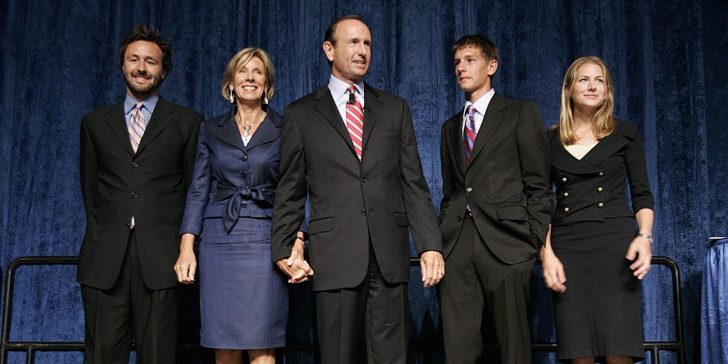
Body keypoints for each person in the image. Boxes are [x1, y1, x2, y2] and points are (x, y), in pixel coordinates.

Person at [270, 15, 445, 364]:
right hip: (334, 256)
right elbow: (289, 190)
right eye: (353, 42)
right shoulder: (301, 114)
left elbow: (413, 183)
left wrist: (430, 245)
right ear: (328, 50)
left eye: (367, 43)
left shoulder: (395, 109)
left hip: (388, 257)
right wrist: (282, 246)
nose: (362, 50)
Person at [77, 24, 203, 363]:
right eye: (134, 59)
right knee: (101, 355)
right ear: (122, 65)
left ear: (164, 71)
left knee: (160, 356)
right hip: (105, 262)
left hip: (162, 260)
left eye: (151, 61)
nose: (141, 67)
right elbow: (90, 189)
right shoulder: (94, 123)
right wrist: (107, 231)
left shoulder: (188, 123)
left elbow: (194, 189)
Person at [173, 47, 300, 364]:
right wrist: (187, 246)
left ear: (267, 84)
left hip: (265, 240)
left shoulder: (286, 128)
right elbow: (198, 190)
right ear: (231, 81)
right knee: (224, 347)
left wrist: (297, 240)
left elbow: (295, 189)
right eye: (243, 71)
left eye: (258, 72)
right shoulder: (211, 128)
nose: (250, 78)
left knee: (263, 347)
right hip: (219, 242)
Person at [437, 35, 554, 364]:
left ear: (492, 66)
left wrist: (530, 239)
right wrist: (444, 237)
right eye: (457, 62)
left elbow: (538, 184)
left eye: (470, 60)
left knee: (513, 347)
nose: (461, 68)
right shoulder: (450, 128)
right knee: (458, 348)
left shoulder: (519, 113)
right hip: (458, 245)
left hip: (508, 245)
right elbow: (451, 192)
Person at [540, 56, 654, 363]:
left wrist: (644, 237)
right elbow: (539, 202)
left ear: (608, 90)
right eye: (584, 79)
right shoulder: (548, 141)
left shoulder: (625, 134)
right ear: (568, 89)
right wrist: (546, 254)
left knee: (619, 350)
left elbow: (642, 194)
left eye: (599, 80)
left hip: (616, 248)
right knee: (580, 352)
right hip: (568, 249)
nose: (592, 86)